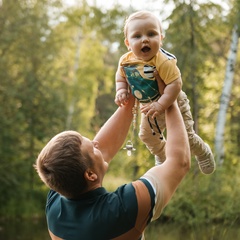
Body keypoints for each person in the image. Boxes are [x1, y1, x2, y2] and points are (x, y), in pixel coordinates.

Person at [35, 88, 190, 240]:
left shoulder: (55, 205)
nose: (96, 143)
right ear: (90, 175)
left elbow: (98, 153)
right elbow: (179, 162)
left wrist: (132, 90)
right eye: (93, 147)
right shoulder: (123, 209)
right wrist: (169, 96)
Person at [115, 10, 215, 174]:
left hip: (173, 102)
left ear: (160, 39)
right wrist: (121, 90)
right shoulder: (126, 61)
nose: (145, 39)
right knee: (147, 136)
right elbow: (121, 77)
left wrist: (162, 104)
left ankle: (202, 151)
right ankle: (163, 155)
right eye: (137, 36)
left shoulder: (163, 61)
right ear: (128, 43)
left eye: (151, 34)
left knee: (186, 138)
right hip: (149, 107)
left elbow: (175, 85)